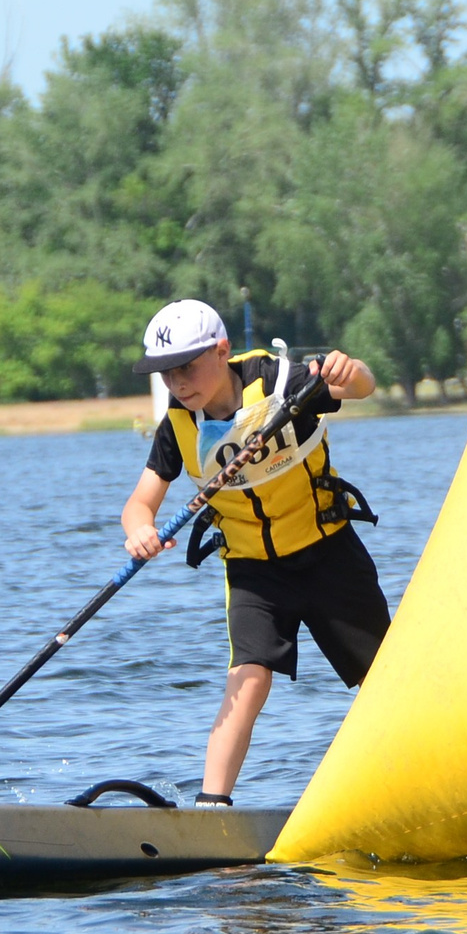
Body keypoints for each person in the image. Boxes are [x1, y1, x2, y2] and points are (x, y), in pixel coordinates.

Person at [120, 299, 391, 806]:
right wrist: (140, 531)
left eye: (186, 367)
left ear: (222, 351)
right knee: (247, 680)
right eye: (166, 374)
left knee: (384, 679)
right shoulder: (177, 426)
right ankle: (211, 808)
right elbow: (139, 503)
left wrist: (349, 370)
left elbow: (362, 386)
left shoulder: (282, 383)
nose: (177, 383)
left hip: (329, 555)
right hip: (254, 573)